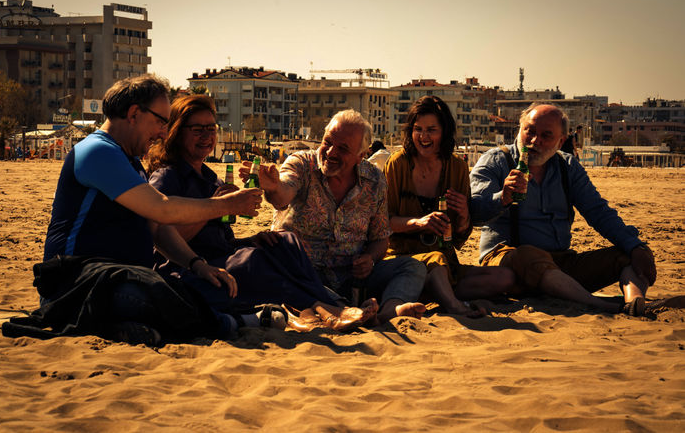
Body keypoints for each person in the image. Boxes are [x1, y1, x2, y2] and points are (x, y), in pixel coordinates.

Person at [35, 74, 266, 344]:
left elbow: (157, 229)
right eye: (160, 122)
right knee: (153, 296)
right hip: (77, 285)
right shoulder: (97, 152)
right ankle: (231, 323)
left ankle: (119, 327)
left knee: (184, 287)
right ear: (134, 113)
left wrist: (197, 265)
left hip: (116, 279)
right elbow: (161, 209)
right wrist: (227, 204)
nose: (163, 133)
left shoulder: (129, 160)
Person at [146, 95, 377, 331]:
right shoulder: (168, 177)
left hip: (219, 260)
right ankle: (323, 308)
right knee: (254, 260)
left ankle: (327, 306)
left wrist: (250, 239)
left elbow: (221, 242)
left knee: (285, 241)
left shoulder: (208, 177)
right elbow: (161, 239)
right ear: (177, 132)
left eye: (211, 128)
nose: (207, 136)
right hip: (189, 273)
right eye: (197, 129)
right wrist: (216, 205)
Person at [241, 109, 427, 322]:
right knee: (280, 273)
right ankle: (339, 308)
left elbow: (380, 239)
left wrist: (370, 259)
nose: (330, 153)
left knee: (412, 267)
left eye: (343, 149)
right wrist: (273, 186)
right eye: (327, 142)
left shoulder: (374, 181)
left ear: (361, 156)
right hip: (303, 272)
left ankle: (390, 310)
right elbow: (283, 195)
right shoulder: (302, 164)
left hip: (352, 276)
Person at [470, 103, 656, 315]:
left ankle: (635, 301)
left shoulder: (567, 167)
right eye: (529, 132)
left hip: (560, 264)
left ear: (561, 142)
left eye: (546, 136)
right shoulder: (496, 162)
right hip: (507, 261)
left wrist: (635, 247)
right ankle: (600, 305)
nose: (534, 141)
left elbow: (599, 213)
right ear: (519, 130)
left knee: (629, 253)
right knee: (528, 255)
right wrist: (501, 198)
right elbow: (473, 212)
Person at [384, 96, 515, 317]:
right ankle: (453, 305)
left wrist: (464, 215)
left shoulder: (458, 168)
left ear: (444, 131)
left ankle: (429, 291)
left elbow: (459, 237)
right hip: (403, 260)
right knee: (435, 261)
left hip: (445, 263)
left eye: (431, 130)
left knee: (504, 278)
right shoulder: (398, 164)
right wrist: (419, 223)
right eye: (418, 129)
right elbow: (383, 223)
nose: (423, 137)